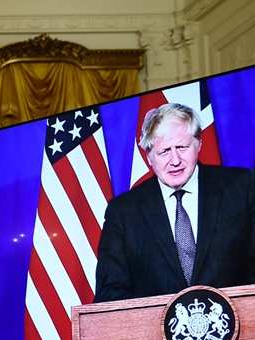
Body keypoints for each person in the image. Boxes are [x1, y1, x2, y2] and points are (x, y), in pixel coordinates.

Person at [94, 103, 255, 304]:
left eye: (182, 147)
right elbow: (111, 292)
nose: (175, 160)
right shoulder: (123, 212)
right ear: (149, 156)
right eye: (164, 152)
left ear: (198, 144)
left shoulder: (242, 187)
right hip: (155, 333)